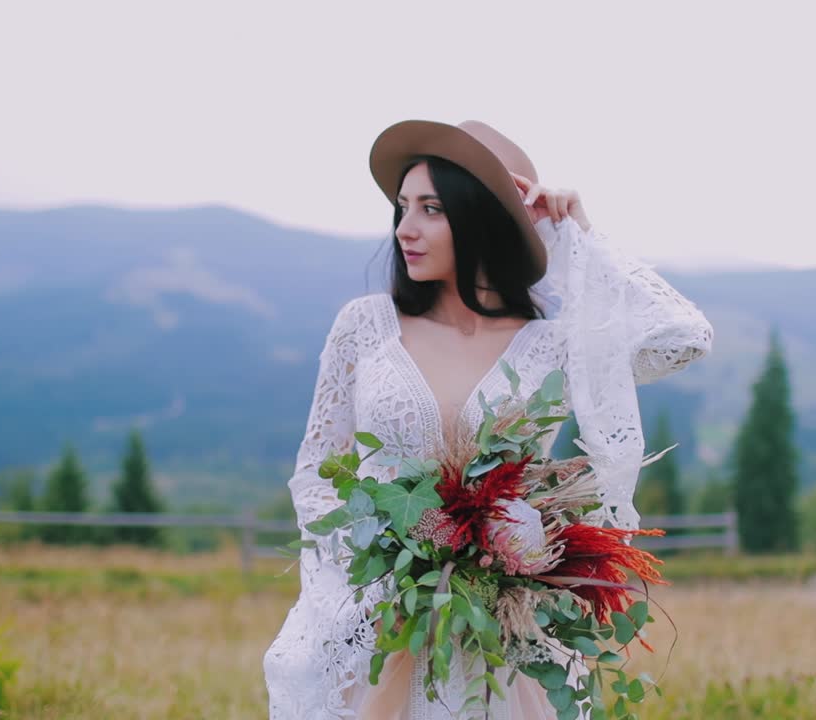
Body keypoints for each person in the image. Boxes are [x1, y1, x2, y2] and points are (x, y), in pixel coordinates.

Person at [263, 119, 714, 719]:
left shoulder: (553, 344)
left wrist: (578, 234)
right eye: (402, 207)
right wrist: (386, 558)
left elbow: (680, 340)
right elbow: (318, 474)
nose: (405, 229)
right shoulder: (366, 327)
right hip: (374, 621)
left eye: (431, 209)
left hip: (502, 641)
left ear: (480, 218)